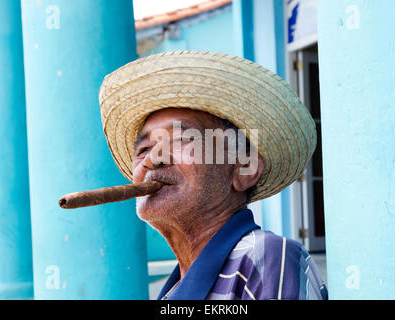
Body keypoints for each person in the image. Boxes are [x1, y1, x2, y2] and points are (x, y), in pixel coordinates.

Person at [98, 51, 328, 300]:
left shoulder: (266, 258)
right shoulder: (172, 293)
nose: (153, 159)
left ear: (244, 168)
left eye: (181, 139)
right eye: (143, 150)